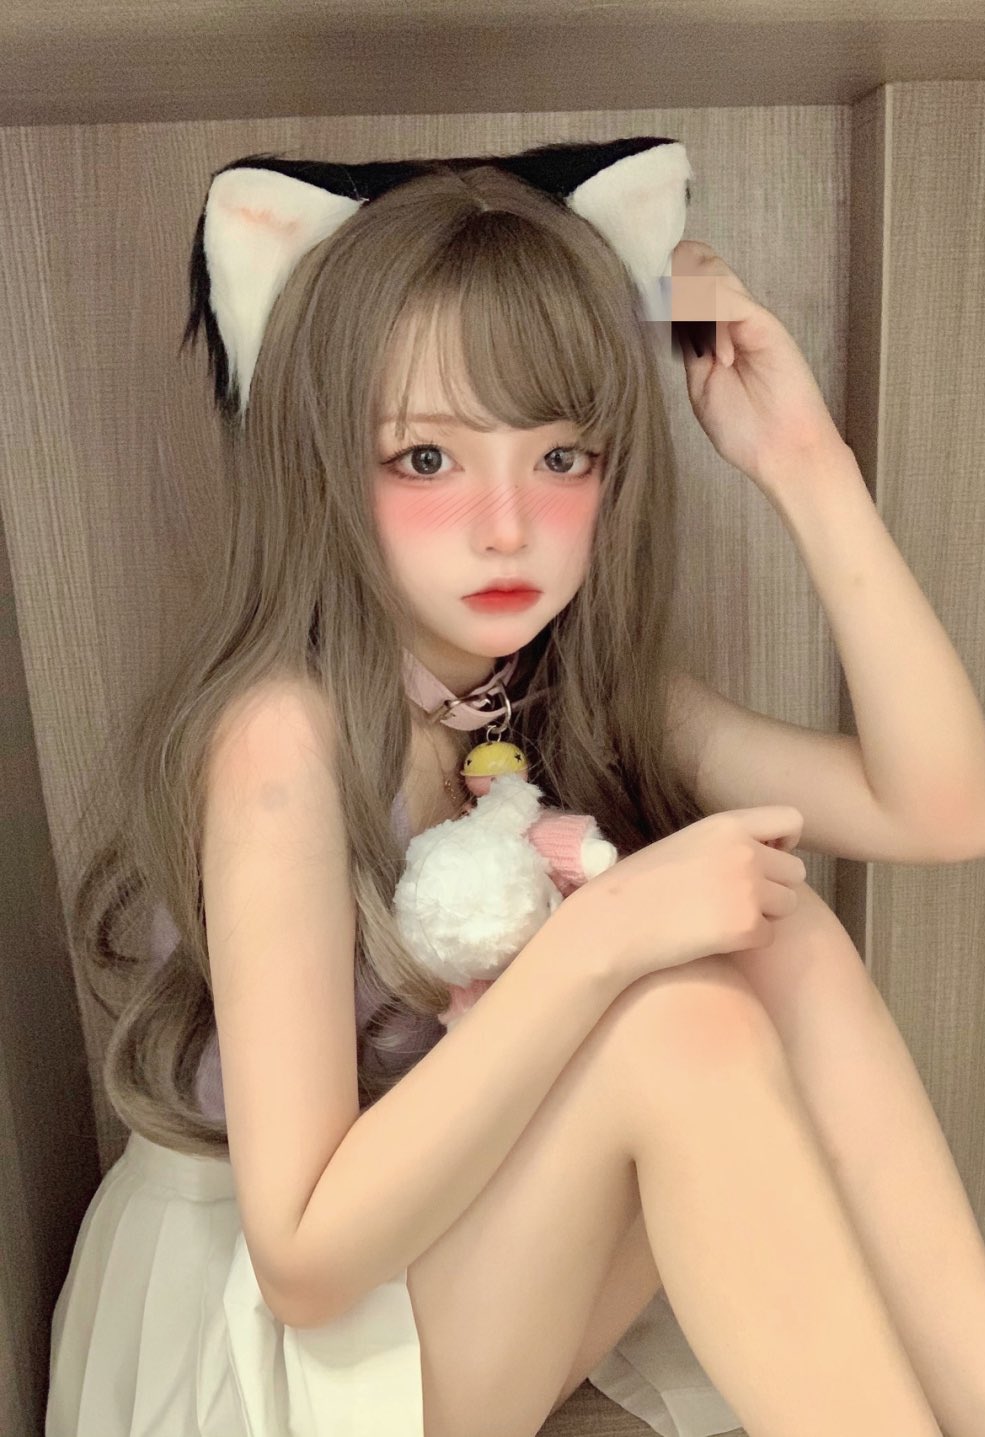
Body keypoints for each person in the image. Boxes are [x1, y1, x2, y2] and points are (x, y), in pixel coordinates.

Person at [44, 143, 919, 1437]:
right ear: (319, 463)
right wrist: (603, 940)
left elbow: (942, 811)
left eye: (562, 457)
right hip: (251, 1347)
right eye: (425, 459)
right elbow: (301, 1262)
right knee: (681, 1021)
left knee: (774, 947)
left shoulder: (542, 694)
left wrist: (807, 462)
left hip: (426, 1261)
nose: (506, 525)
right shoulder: (280, 737)